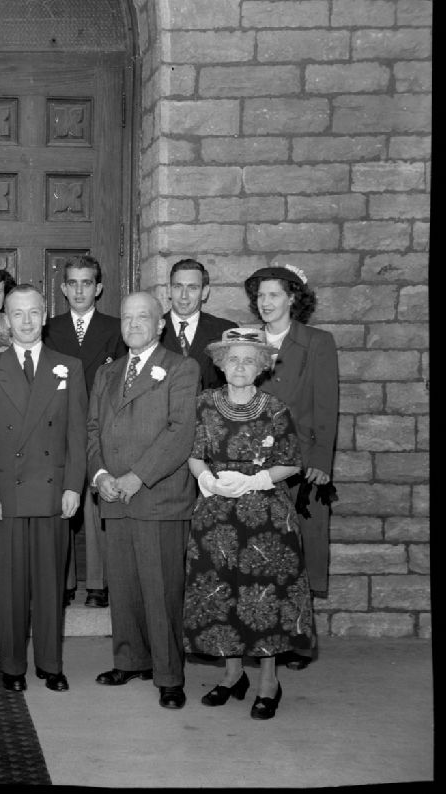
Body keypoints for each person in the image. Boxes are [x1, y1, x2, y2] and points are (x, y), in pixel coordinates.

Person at [183, 327, 314, 720]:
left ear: (262, 368)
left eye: (249, 361)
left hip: (265, 518)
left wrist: (256, 480)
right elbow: (194, 453)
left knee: (264, 598)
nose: (240, 367)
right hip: (216, 514)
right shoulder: (204, 404)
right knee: (222, 593)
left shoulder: (276, 409)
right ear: (221, 365)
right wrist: (207, 479)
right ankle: (232, 674)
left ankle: (269, 682)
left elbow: (291, 462)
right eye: (233, 360)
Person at [0, 284, 87, 693]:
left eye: (34, 312)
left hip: (53, 493)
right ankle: (13, 665)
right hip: (7, 493)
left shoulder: (68, 366)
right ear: (6, 319)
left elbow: (77, 434)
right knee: (11, 586)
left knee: (51, 585)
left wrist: (73, 486)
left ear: (45, 315)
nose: (27, 321)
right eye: (17, 313)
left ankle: (51, 664)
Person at [87, 292, 199, 710]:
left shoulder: (181, 368)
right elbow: (92, 429)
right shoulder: (108, 372)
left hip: (158, 496)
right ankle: (130, 659)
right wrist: (100, 475)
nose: (133, 324)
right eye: (127, 317)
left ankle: (169, 675)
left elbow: (180, 432)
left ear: (160, 324)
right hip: (114, 495)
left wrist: (137, 476)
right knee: (124, 586)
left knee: (162, 589)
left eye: (143, 317)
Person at [245, 264, 339, 672]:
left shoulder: (317, 342)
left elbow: (327, 404)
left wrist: (319, 461)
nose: (265, 303)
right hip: (255, 465)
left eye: (274, 295)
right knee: (260, 552)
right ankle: (262, 638)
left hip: (301, 466)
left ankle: (298, 642)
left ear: (293, 298)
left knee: (299, 552)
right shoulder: (247, 341)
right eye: (260, 296)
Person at [42, 255, 126, 609]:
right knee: (61, 501)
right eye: (73, 283)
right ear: (63, 288)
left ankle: (97, 583)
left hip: (99, 425)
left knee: (96, 503)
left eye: (86, 283)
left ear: (98, 288)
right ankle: (62, 581)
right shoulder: (49, 328)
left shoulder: (115, 328)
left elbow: (121, 380)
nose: (79, 291)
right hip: (59, 425)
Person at [159, 258, 238, 392]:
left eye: (192, 288)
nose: (184, 295)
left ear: (204, 292)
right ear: (169, 290)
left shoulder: (225, 331)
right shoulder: (151, 330)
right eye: (178, 287)